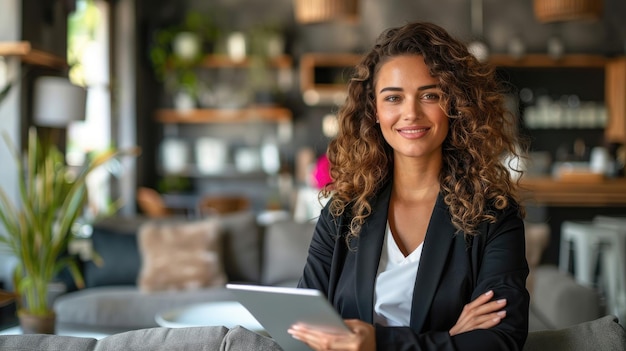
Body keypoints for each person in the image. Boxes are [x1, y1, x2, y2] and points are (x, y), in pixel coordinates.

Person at [288, 22, 529, 351]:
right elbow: (305, 328)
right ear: (374, 110)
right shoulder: (343, 211)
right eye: (393, 98)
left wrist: (379, 343)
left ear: (454, 104)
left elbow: (501, 340)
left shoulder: (493, 215)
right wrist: (450, 340)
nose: (411, 113)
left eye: (430, 95)